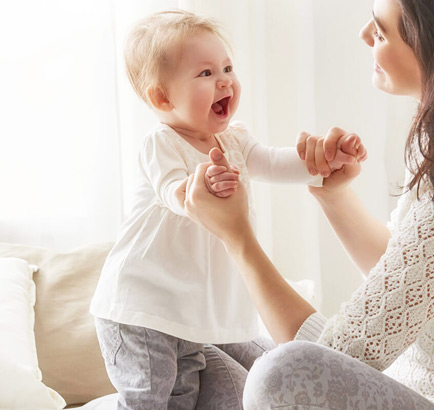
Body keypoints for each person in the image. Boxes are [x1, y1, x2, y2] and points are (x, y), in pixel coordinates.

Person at [181, 0, 434, 408]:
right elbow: (408, 274)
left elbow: (323, 358)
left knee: (277, 374)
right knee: (215, 340)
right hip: (426, 393)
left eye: (381, 31)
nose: (363, 35)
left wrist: (237, 238)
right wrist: (333, 195)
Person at [89, 10, 366, 410]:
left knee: (183, 397)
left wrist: (322, 158)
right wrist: (198, 187)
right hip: (140, 309)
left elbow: (272, 162)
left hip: (186, 316)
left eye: (228, 67)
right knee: (147, 398)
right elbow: (173, 192)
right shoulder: (161, 143)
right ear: (162, 97)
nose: (224, 80)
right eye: (205, 73)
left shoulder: (234, 140)